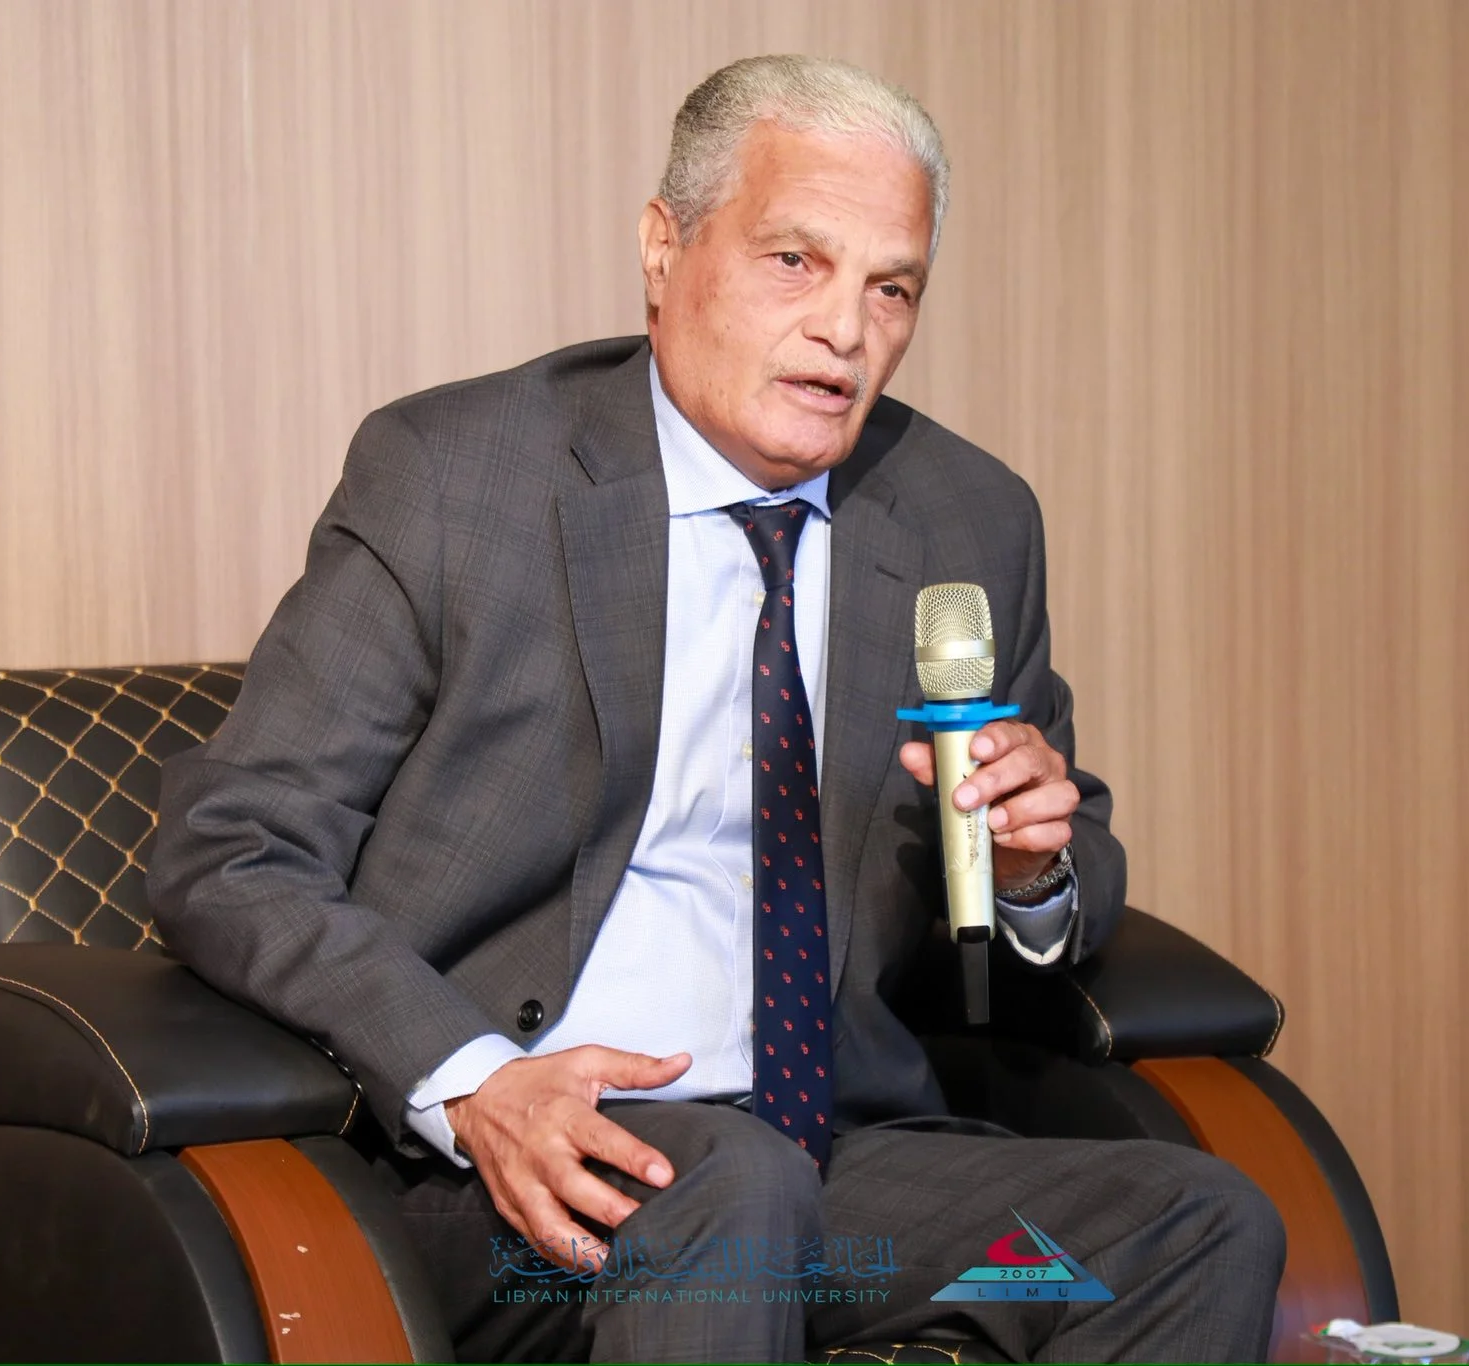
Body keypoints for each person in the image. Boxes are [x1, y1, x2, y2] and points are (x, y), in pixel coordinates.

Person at [150, 53, 1285, 1364]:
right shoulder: (462, 479)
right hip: (516, 1191)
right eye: (795, 261)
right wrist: (474, 1087)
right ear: (663, 246)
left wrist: (1031, 871)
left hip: (837, 1182)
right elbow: (230, 851)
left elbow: (1052, 883)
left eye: (892, 287)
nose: (846, 330)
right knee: (732, 1189)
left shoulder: (963, 516)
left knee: (1197, 1224)